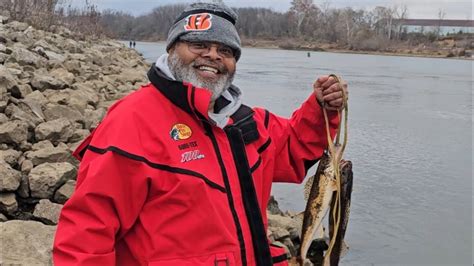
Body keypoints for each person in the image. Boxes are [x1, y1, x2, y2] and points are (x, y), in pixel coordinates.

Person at [53, 2, 347, 266]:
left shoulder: (247, 121)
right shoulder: (131, 121)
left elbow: (295, 147)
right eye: (199, 45)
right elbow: (87, 233)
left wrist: (321, 107)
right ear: (171, 50)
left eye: (226, 51)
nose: (213, 56)